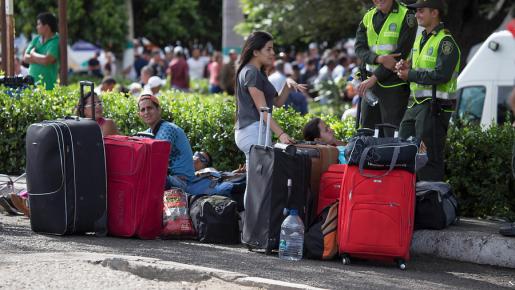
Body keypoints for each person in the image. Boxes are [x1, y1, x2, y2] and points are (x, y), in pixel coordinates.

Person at [396, 0, 461, 182]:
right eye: (416, 11)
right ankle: (411, 201)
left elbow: (442, 75)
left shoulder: (446, 41)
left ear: (435, 13)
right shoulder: (421, 38)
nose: (416, 14)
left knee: (429, 160)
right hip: (416, 105)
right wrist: (404, 65)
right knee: (405, 152)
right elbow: (415, 66)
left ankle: (430, 204)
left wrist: (411, 74)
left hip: (435, 108)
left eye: (421, 11)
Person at [234, 31, 306, 169]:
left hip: (255, 131)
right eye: (268, 49)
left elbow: (277, 102)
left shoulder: (257, 72)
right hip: (253, 131)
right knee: (259, 184)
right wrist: (282, 134)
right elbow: (264, 111)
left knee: (257, 184)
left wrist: (287, 84)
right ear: (255, 52)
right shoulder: (251, 72)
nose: (273, 52)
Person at [354, 0, 417, 137]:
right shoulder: (368, 16)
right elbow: (359, 48)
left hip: (393, 85)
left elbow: (400, 55)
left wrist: (374, 78)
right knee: (367, 133)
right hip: (370, 85)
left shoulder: (407, 16)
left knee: (391, 134)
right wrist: (378, 58)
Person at [137, 93, 195, 190]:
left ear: (159, 110)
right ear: (139, 115)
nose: (146, 112)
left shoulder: (168, 128)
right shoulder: (147, 133)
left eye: (150, 108)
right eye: (143, 110)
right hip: (168, 178)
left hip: (182, 182)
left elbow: (156, 159)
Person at [23, 12, 60, 90]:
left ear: (46, 26)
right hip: (31, 87)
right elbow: (25, 58)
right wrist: (41, 59)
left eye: (39, 24)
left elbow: (47, 60)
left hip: (48, 89)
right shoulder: (36, 39)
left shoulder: (56, 41)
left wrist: (33, 54)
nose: (37, 27)